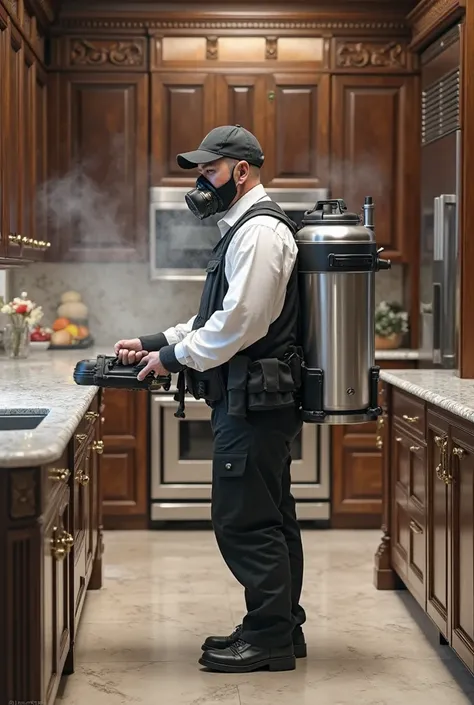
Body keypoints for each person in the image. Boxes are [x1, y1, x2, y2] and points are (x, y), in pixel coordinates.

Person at [114, 125, 307, 674]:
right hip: (252, 397)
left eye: (208, 170)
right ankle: (279, 627)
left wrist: (173, 359)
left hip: (254, 401)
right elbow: (213, 321)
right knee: (269, 516)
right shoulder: (243, 228)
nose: (200, 181)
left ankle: (269, 637)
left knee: (243, 520)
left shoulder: (260, 232)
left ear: (239, 171)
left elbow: (240, 323)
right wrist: (157, 343)